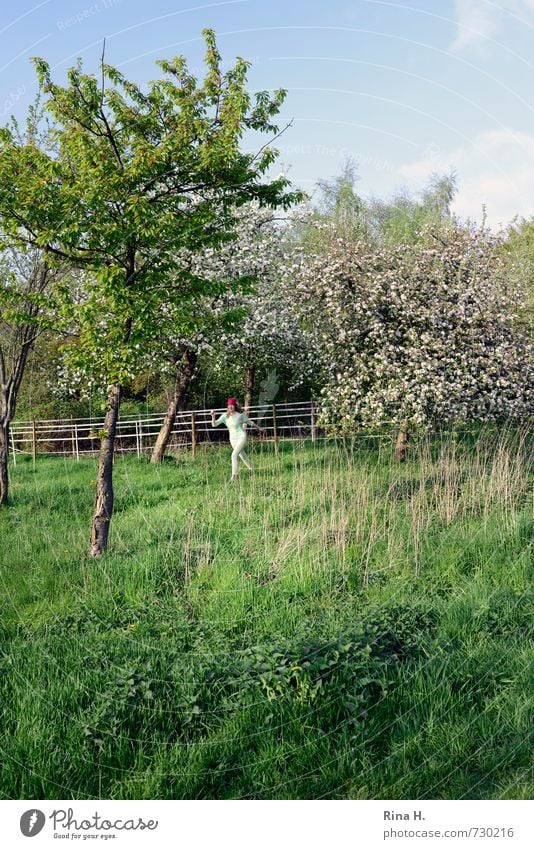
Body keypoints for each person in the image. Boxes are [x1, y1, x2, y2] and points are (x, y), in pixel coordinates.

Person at [210, 397, 264, 481]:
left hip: (241, 437)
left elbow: (250, 422)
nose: (230, 407)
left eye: (232, 405)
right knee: (242, 456)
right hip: (232, 439)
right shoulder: (225, 416)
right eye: (229, 405)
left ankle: (234, 476)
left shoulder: (240, 416)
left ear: (235, 406)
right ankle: (252, 469)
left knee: (233, 455)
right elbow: (214, 425)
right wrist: (213, 416)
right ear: (227, 406)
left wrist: (259, 428)